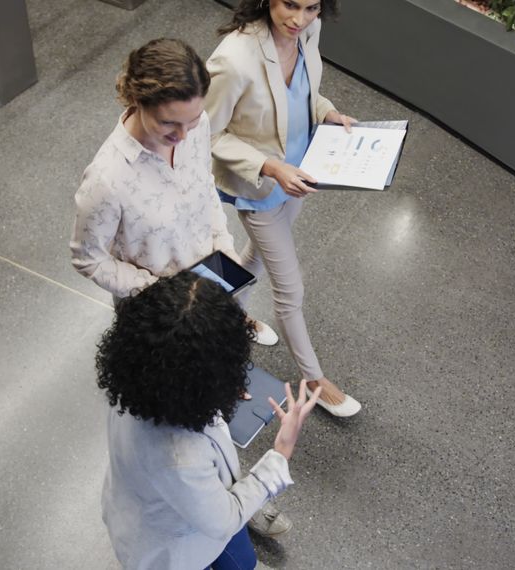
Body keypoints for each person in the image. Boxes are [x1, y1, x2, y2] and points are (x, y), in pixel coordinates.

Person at [97, 271, 321, 570]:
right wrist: (280, 453)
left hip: (150, 507)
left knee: (242, 560)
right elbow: (223, 520)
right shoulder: (180, 456)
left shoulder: (135, 386)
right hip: (176, 549)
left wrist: (215, 394)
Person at [205, 0, 361, 417]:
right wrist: (271, 166)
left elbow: (303, 93)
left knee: (254, 257)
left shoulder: (307, 31)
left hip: (298, 178)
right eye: (289, 5)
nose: (299, 19)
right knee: (289, 288)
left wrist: (326, 112)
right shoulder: (233, 60)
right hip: (260, 186)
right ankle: (314, 378)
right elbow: (207, 133)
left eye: (311, 7)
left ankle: (224, 316)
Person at [69, 37, 277, 346]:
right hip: (159, 310)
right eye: (168, 123)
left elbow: (205, 188)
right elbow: (89, 259)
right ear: (137, 101)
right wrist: (160, 291)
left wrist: (225, 251)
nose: (182, 136)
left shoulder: (198, 125)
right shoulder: (107, 179)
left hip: (209, 278)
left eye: (190, 121)